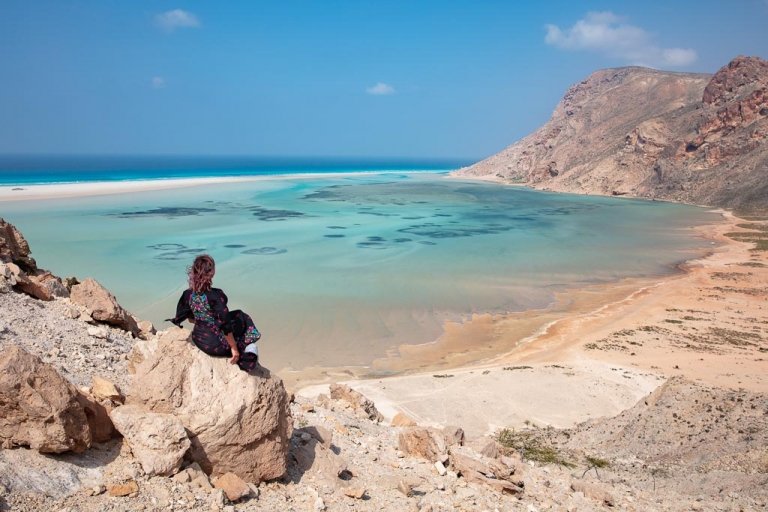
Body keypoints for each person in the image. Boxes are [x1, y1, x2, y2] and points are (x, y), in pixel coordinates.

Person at [167, 254, 261, 372]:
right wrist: (234, 348)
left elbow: (187, 317)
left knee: (234, 315)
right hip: (217, 345)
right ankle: (248, 348)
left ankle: (244, 345)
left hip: (199, 340)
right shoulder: (216, 295)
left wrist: (204, 318)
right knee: (241, 316)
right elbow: (225, 325)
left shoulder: (188, 295)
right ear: (212, 272)